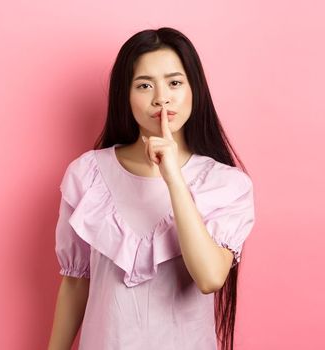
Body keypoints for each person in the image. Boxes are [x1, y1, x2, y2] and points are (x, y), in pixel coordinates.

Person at [48, 27, 256, 350]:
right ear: (125, 95)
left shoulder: (226, 184)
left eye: (174, 83)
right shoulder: (87, 174)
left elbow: (210, 277)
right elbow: (75, 282)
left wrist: (173, 176)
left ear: (194, 90)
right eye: (145, 85)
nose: (161, 97)